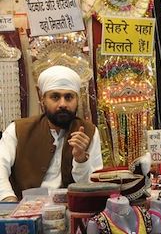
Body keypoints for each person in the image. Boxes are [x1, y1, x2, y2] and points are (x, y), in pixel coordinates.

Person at [0, 65, 103, 201]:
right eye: (55, 97)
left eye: (69, 97)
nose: (62, 104)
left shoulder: (88, 131)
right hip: (24, 211)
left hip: (70, 208)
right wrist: (8, 199)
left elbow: (92, 185)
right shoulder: (18, 129)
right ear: (43, 99)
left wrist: (80, 159)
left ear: (77, 100)